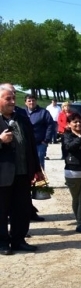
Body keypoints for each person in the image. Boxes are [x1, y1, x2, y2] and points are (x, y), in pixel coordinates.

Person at [0, 83, 44, 254]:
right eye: (8, 98)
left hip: (23, 172)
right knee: (1, 211)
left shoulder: (22, 117)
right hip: (3, 174)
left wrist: (37, 169)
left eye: (13, 98)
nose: (12, 101)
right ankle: (2, 242)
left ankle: (18, 240)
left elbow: (31, 145)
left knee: (22, 209)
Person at [24, 94, 56, 171]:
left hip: (39, 143)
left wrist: (46, 140)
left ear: (36, 101)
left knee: (39, 163)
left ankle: (40, 181)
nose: (31, 102)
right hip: (25, 143)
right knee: (25, 163)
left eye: (33, 100)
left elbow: (50, 126)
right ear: (25, 102)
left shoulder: (43, 112)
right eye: (29, 101)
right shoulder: (22, 112)